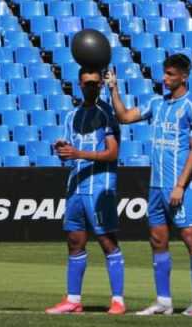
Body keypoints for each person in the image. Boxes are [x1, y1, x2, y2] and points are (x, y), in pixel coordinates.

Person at [106, 54, 192, 317]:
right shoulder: (156, 103)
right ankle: (164, 300)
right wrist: (114, 89)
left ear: (184, 76)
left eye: (171, 74)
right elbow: (125, 117)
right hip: (155, 186)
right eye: (164, 73)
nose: (165, 78)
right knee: (157, 239)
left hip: (179, 187)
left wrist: (181, 185)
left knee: (191, 239)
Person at [45, 67, 124, 315]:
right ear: (79, 85)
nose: (90, 87)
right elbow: (71, 153)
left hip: (99, 187)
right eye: (86, 84)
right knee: (74, 241)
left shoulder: (107, 113)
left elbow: (113, 153)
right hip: (76, 186)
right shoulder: (72, 116)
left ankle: (118, 300)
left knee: (107, 241)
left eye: (94, 84)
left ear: (101, 85)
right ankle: (73, 299)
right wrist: (63, 148)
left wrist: (79, 153)